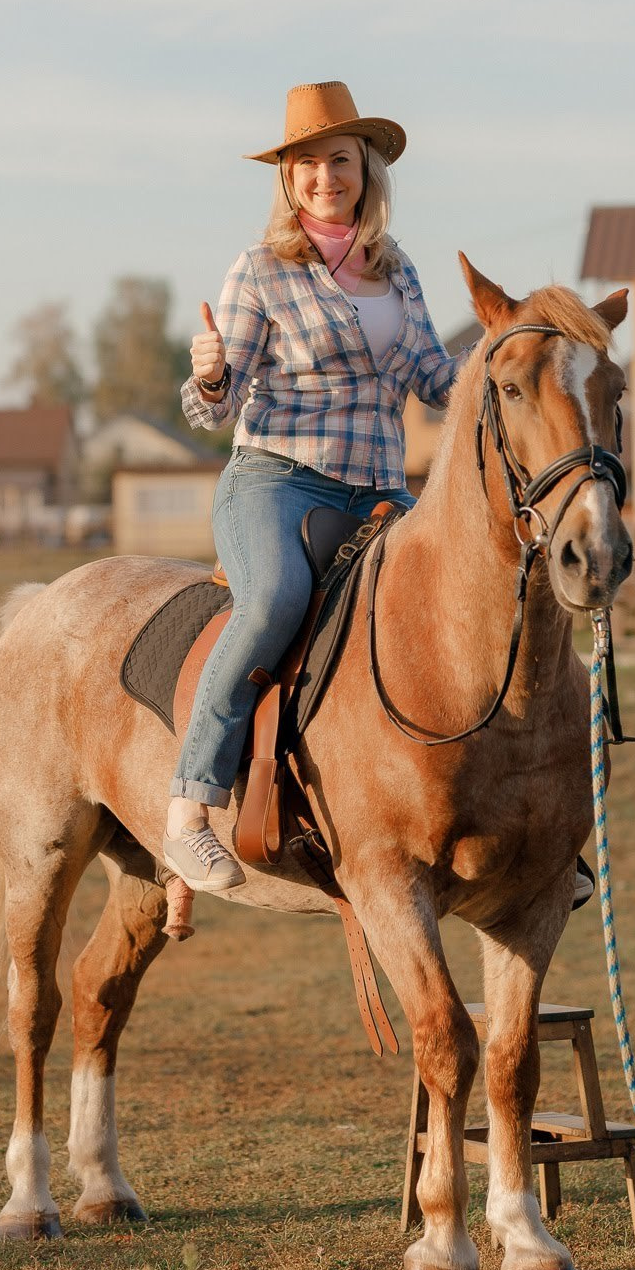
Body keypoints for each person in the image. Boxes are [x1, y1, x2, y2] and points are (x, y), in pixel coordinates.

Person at [162, 81, 466, 892]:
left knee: (462, 598)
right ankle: (189, 808)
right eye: (305, 164)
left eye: (338, 160)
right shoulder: (261, 269)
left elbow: (438, 379)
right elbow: (213, 404)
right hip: (277, 479)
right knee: (272, 604)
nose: (323, 177)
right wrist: (213, 374)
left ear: (366, 171)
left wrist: (513, 366)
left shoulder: (397, 274)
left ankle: (507, 814)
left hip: (377, 492)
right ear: (288, 180)